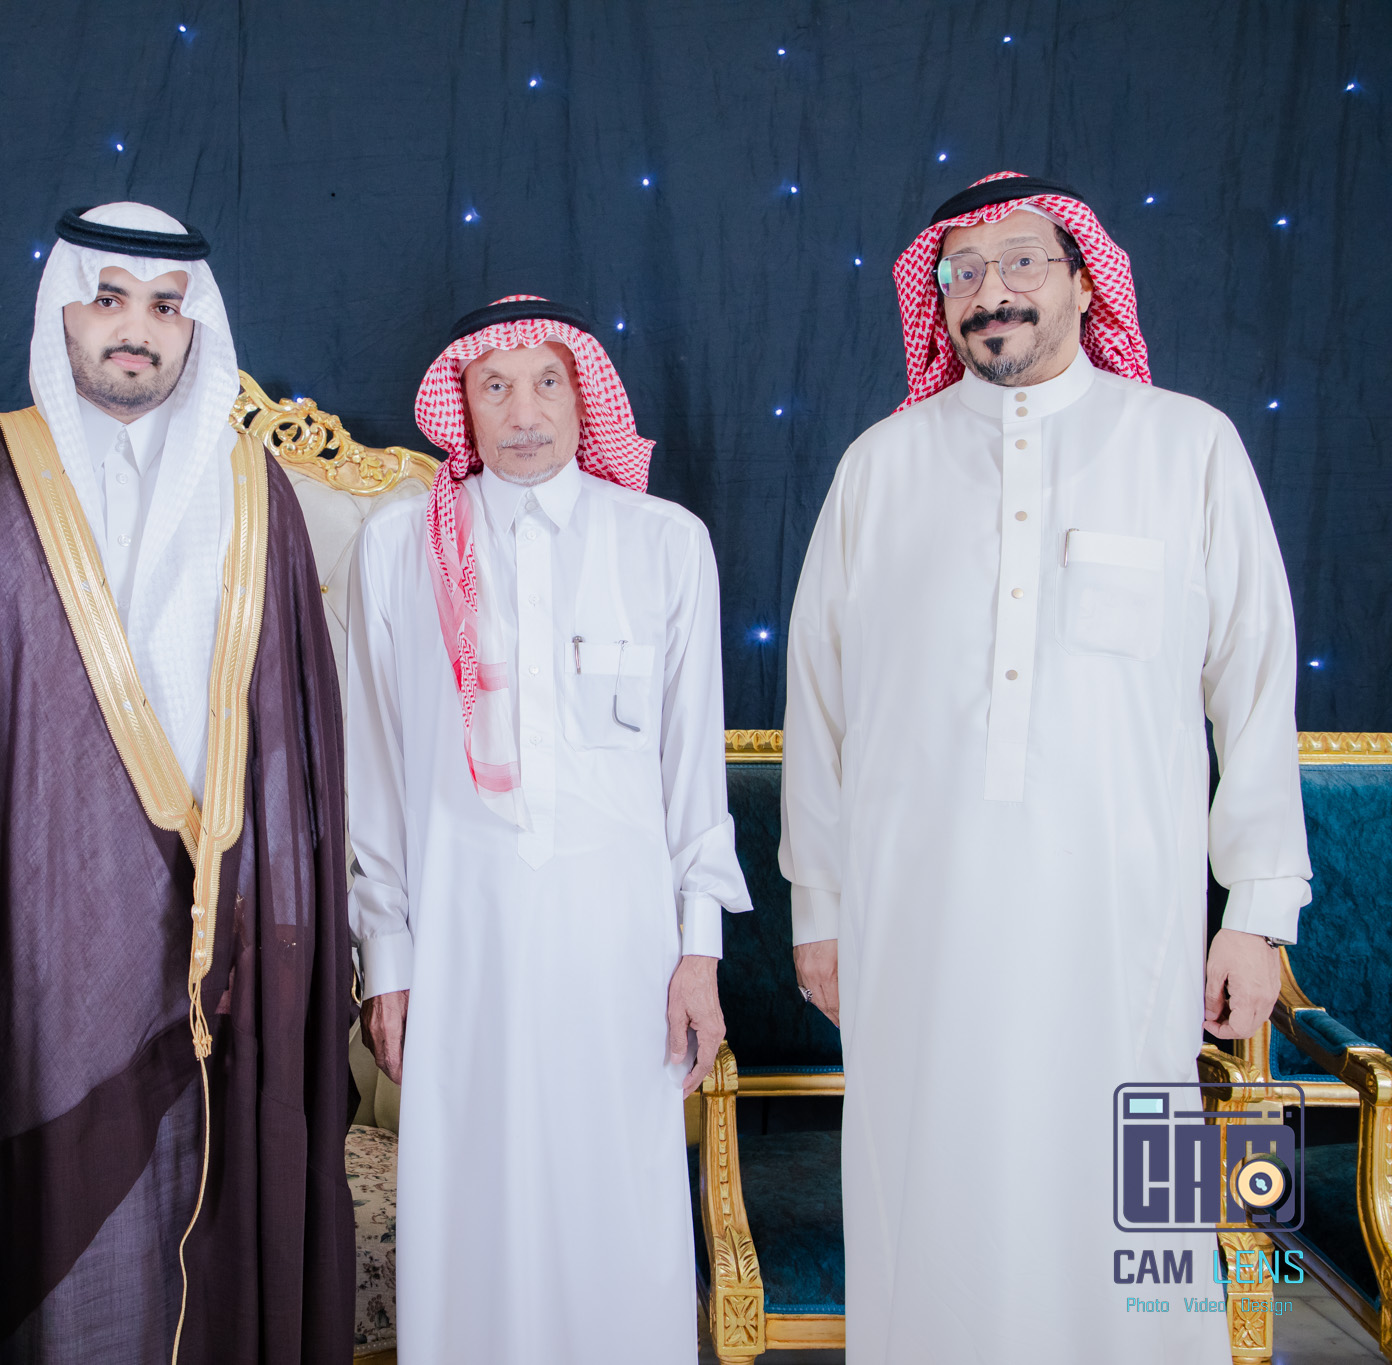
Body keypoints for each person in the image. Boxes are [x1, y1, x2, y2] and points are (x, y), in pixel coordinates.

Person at [780, 172, 1311, 1362]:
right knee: (930, 1188)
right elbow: (817, 704)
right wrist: (819, 908)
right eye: (963, 271)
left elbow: (1253, 683)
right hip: (916, 922)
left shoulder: (1185, 446)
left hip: (1123, 918)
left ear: (1082, 283)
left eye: (1021, 262)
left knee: (1126, 1193)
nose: (992, 292)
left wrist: (1256, 911)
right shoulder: (880, 465)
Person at [0, 202, 354, 1365]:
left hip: (231, 937)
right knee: (57, 1238)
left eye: (165, 306)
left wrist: (287, 937)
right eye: (109, 298)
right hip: (33, 946)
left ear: (195, 327)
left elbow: (297, 739)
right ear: (63, 311)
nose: (136, 328)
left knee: (220, 1222)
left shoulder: (253, 488)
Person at [347, 295, 753, 1364]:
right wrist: (387, 959)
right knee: (472, 1209)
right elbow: (373, 768)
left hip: (621, 952)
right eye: (495, 386)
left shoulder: (665, 544)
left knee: (613, 1208)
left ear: (585, 398)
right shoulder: (398, 547)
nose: (523, 412)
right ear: (462, 404)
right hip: (460, 943)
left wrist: (698, 954)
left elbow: (690, 770)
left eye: (546, 383)